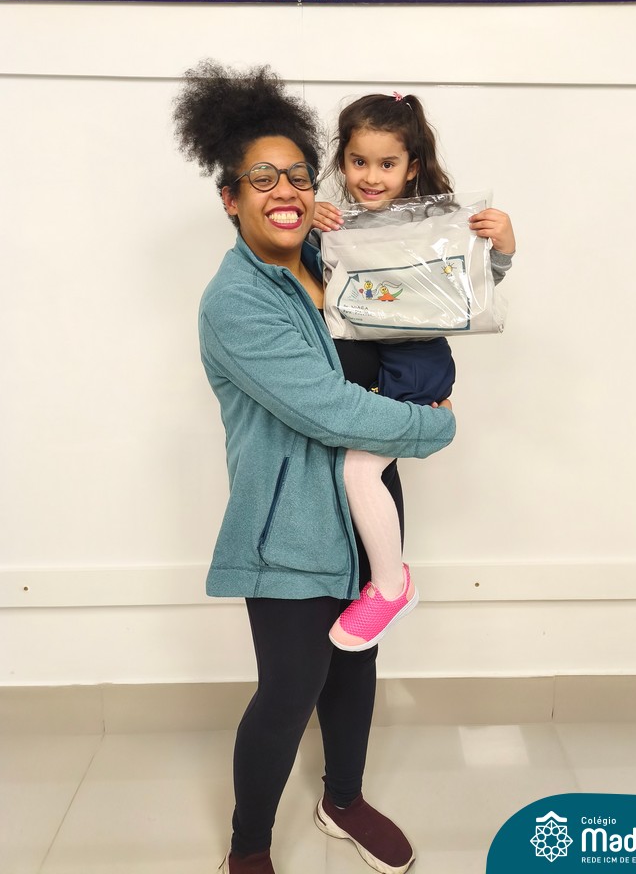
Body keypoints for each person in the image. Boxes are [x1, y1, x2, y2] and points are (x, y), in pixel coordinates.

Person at [172, 63, 455, 874]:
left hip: (366, 502)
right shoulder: (236, 300)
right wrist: (432, 426)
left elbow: (434, 289)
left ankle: (343, 799)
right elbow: (330, 410)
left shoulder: (336, 252)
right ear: (230, 198)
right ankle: (249, 848)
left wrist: (492, 251)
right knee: (290, 689)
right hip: (290, 525)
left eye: (297, 173)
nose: (285, 190)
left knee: (357, 664)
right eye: (262, 179)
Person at [311, 92, 516, 652]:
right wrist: (312, 223)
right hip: (366, 369)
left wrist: (503, 247)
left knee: (359, 472)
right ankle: (381, 583)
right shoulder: (337, 221)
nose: (370, 177)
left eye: (387, 163)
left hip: (417, 366)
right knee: (354, 473)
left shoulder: (438, 221)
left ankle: (391, 586)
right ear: (342, 161)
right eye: (358, 162)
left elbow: (474, 285)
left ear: (412, 167)